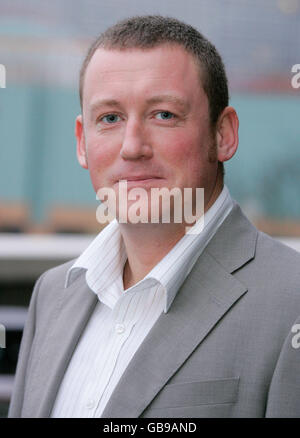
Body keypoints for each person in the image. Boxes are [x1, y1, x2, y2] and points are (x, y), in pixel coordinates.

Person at [8, 15, 300, 418]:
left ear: (224, 134)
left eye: (163, 114)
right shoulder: (52, 295)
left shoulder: (292, 302)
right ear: (82, 142)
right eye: (109, 118)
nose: (132, 147)